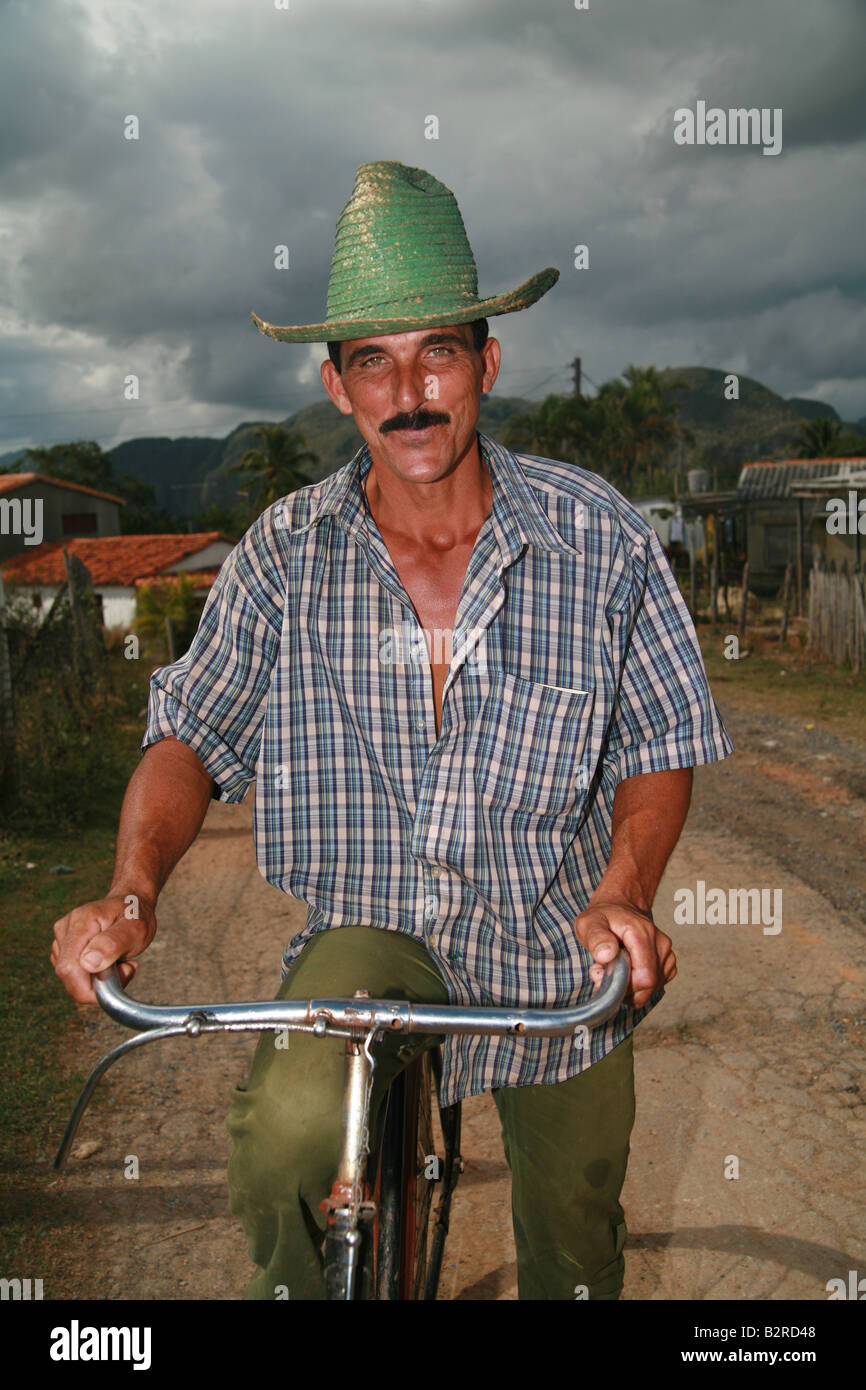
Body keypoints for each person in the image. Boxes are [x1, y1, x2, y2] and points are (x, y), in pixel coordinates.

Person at [51, 160, 733, 1300]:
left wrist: (623, 891)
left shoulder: (598, 538)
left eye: (436, 353)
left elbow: (657, 743)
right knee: (282, 1147)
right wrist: (131, 895)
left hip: (552, 955)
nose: (407, 390)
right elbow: (187, 734)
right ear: (336, 385)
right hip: (369, 937)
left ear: (486, 364)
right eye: (372, 359)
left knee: (573, 1244)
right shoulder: (282, 552)